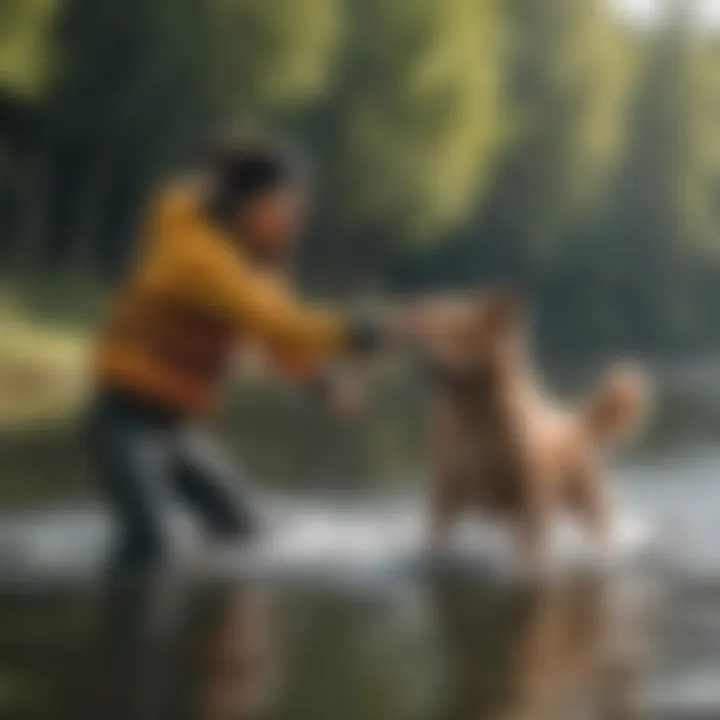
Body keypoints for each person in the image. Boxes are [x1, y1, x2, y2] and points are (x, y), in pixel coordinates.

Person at [86, 132, 396, 573]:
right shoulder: (196, 253)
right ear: (251, 204)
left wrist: (323, 385)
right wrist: (360, 332)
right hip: (126, 420)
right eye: (286, 207)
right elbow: (274, 320)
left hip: (177, 429)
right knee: (150, 542)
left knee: (243, 532)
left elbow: (277, 335)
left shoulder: (253, 263)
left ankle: (205, 634)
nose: (295, 221)